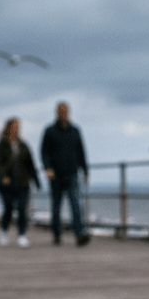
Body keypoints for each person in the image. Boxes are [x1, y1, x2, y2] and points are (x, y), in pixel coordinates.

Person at [40, 101, 90, 246]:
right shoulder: (49, 131)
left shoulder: (75, 130)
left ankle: (79, 234)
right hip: (55, 175)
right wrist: (47, 168)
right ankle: (56, 234)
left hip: (72, 173)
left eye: (65, 111)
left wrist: (85, 170)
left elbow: (81, 151)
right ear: (56, 113)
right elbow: (44, 152)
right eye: (60, 111)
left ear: (69, 112)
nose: (63, 114)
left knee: (75, 205)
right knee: (56, 206)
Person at [0, 117, 41, 247]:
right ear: (9, 127)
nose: (17, 128)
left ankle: (22, 235)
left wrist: (36, 181)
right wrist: (3, 176)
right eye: (15, 126)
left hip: (23, 183)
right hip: (7, 184)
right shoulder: (2, 144)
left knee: (22, 209)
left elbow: (31, 164)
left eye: (18, 126)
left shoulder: (23, 145)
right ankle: (3, 232)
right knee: (8, 209)